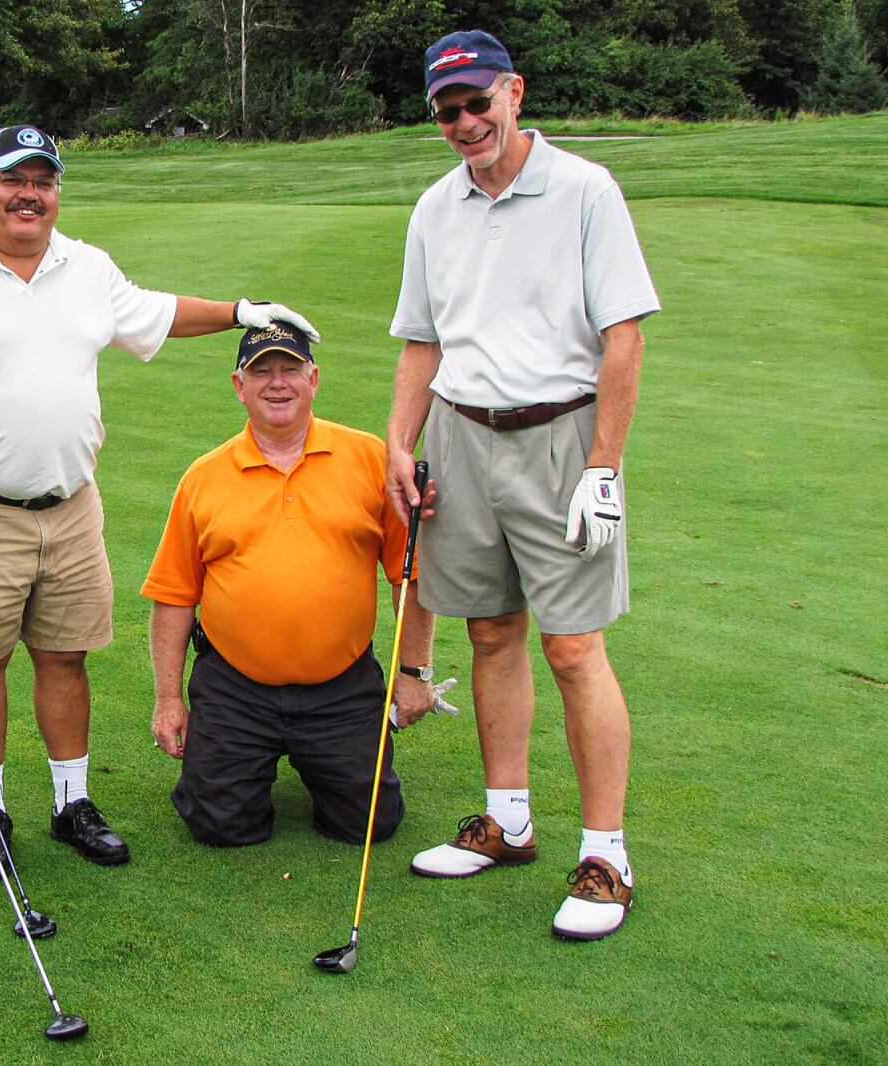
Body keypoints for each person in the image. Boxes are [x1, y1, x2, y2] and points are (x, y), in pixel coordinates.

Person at [0, 125, 319, 878]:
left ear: (56, 192)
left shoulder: (85, 267)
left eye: (44, 181)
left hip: (71, 506)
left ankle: (70, 804)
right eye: (13, 179)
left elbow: (152, 312)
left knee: (66, 656)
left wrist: (243, 310)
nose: (30, 194)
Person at [385, 31, 661, 941]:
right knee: (493, 632)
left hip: (560, 438)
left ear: (514, 92)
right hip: (463, 436)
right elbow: (422, 340)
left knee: (574, 649)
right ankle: (507, 822)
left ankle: (606, 855)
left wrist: (604, 469)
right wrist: (399, 443)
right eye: (446, 110)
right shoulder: (435, 207)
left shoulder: (584, 189)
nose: (464, 122)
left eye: (476, 103)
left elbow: (624, 336)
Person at [142, 324, 454, 846]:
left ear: (314, 379)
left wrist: (414, 671)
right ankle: (238, 766)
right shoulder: (204, 477)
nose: (277, 382)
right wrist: (168, 700)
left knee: (369, 824)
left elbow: (410, 575)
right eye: (260, 371)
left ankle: (331, 760)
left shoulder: (371, 460)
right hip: (234, 687)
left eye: (290, 369)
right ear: (239, 387)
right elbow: (173, 596)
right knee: (219, 825)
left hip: (342, 685)